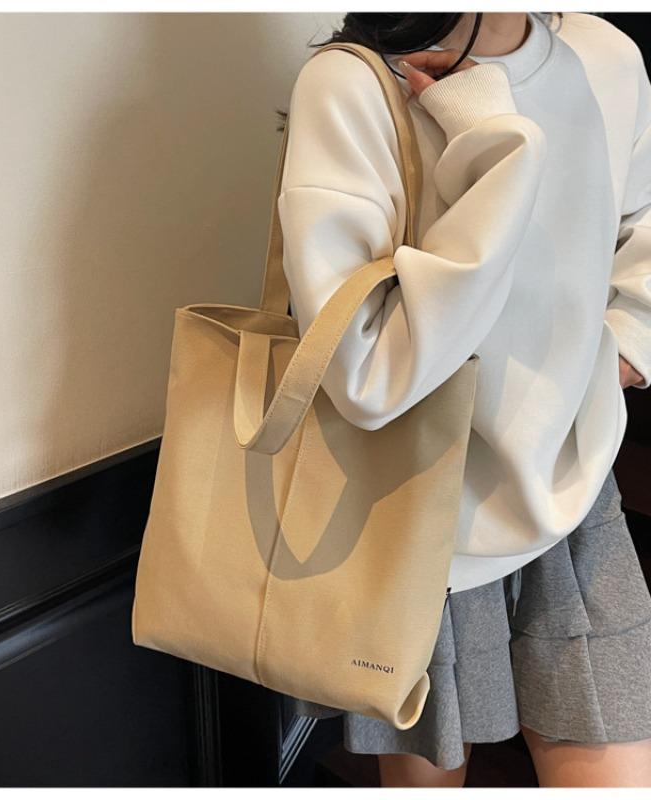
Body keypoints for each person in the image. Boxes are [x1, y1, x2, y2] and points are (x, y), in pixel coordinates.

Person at [276, 11, 651, 788]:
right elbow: (366, 375)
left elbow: (641, 230)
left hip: (576, 486)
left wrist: (618, 355)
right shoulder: (352, 84)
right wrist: (496, 148)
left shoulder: (605, 56)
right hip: (419, 514)